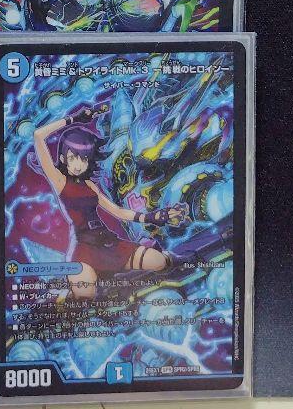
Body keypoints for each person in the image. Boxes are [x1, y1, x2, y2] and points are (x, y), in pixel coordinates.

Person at [33, 104, 189, 300]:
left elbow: (117, 211)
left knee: (159, 262)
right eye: (73, 158)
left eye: (84, 159)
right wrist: (73, 119)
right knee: (85, 296)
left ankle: (122, 275)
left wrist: (152, 217)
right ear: (64, 158)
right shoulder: (60, 181)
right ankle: (63, 295)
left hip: (109, 243)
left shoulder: (90, 185)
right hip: (84, 251)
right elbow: (38, 135)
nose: (78, 164)